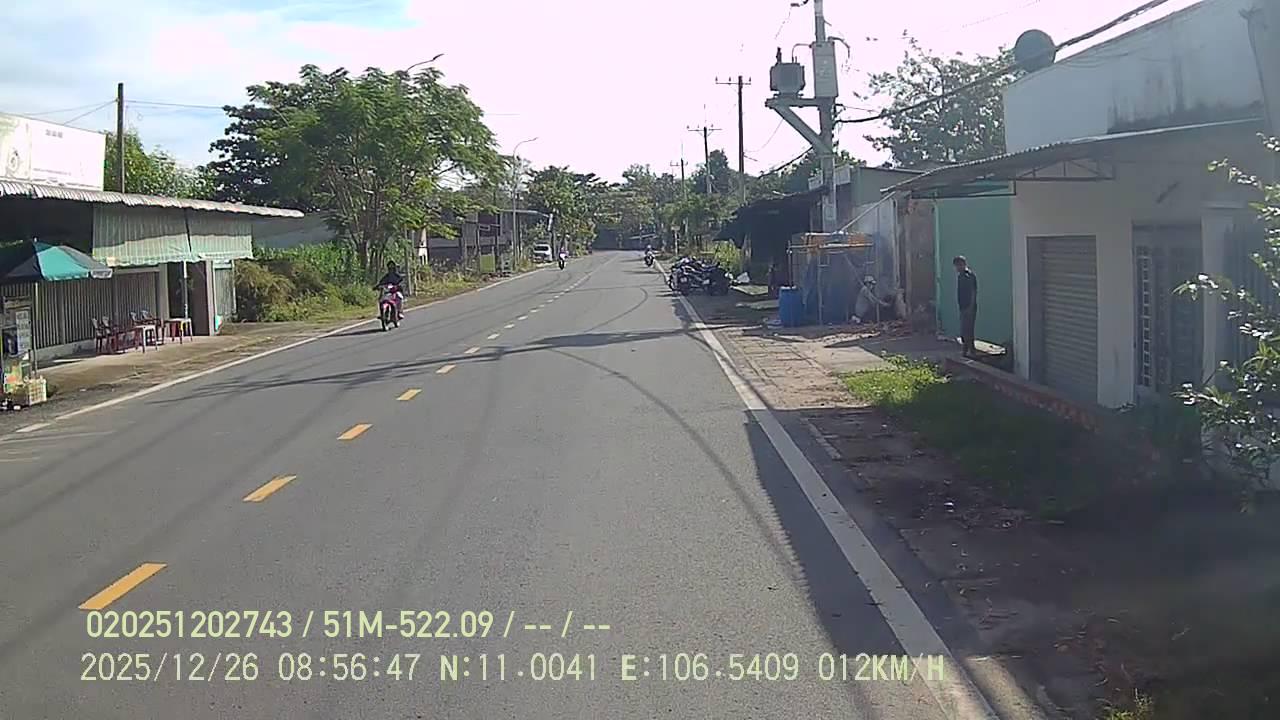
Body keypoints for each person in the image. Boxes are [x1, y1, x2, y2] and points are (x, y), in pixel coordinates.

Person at [954, 255, 978, 357]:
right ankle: (967, 349)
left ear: (963, 264)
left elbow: (973, 292)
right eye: (956, 266)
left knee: (968, 329)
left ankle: (970, 350)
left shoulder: (969, 276)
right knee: (964, 329)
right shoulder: (960, 276)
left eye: (958, 265)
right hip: (963, 306)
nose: (957, 268)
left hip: (969, 306)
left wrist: (971, 306)